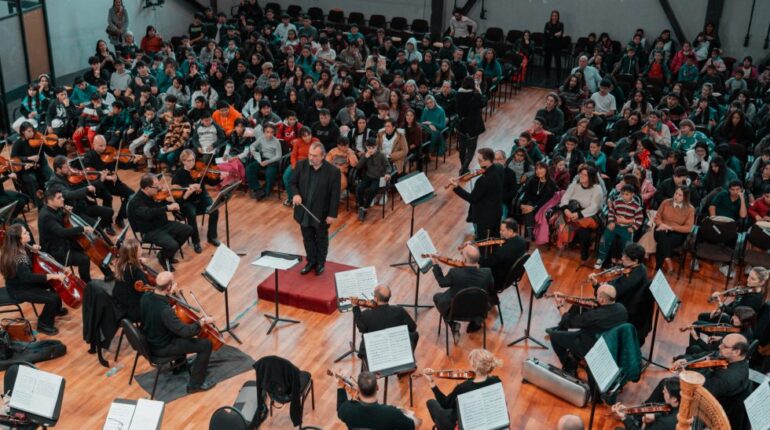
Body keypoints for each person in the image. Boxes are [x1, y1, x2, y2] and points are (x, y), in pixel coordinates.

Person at [140, 271, 216, 393]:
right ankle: (195, 385)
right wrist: (202, 322)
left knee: (177, 329)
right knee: (206, 344)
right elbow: (186, 332)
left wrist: (172, 296)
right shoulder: (165, 311)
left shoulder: (146, 297)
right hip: (162, 347)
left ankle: (179, 366)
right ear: (169, 287)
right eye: (173, 283)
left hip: (152, 339)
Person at [668, 334, 751, 429]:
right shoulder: (733, 358)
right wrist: (686, 360)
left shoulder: (729, 377)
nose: (719, 346)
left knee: (667, 384)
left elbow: (701, 391)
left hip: (707, 405)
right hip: (709, 386)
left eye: (724, 346)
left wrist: (685, 374)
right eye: (721, 343)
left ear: (736, 352)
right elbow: (711, 354)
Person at [546, 284, 628, 375]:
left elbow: (568, 321)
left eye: (597, 296)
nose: (595, 298)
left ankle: (569, 366)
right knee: (578, 308)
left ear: (602, 300)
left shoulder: (595, 316)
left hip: (592, 346)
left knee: (554, 336)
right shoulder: (622, 309)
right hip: (609, 343)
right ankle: (566, 337)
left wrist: (560, 305)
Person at [0, 224, 66, 335]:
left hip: (23, 282)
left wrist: (33, 251)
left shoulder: (21, 247)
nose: (28, 233)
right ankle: (43, 324)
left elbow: (28, 269)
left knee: (54, 284)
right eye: (25, 233)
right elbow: (28, 277)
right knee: (53, 298)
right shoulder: (18, 257)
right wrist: (51, 276)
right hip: (19, 289)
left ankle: (55, 310)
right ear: (19, 239)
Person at [289, 142, 341, 276]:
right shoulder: (301, 165)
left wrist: (332, 214)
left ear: (323, 156)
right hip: (304, 211)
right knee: (307, 238)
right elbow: (292, 182)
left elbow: (335, 195)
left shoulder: (333, 172)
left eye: (315, 156)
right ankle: (311, 261)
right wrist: (295, 194)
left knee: (321, 238)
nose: (311, 158)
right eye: (310, 155)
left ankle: (320, 263)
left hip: (321, 213)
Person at [126, 173, 193, 271]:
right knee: (172, 245)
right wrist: (167, 207)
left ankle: (165, 254)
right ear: (147, 188)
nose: (159, 188)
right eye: (156, 187)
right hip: (150, 230)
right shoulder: (135, 202)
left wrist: (174, 201)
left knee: (188, 229)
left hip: (164, 224)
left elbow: (164, 204)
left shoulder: (155, 195)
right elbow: (148, 213)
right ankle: (163, 258)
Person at [423, 349, 502, 430]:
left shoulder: (463, 388)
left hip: (463, 424)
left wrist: (432, 382)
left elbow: (445, 404)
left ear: (475, 367)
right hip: (486, 419)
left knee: (431, 403)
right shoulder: (496, 381)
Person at [430, 244, 494, 339]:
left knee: (437, 297)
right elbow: (491, 288)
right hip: (479, 310)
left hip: (456, 312)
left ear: (464, 259)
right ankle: (476, 321)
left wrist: (435, 265)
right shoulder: (487, 272)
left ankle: (453, 324)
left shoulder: (455, 273)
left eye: (462, 254)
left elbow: (442, 282)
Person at [37, 189, 99, 283]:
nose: (63, 199)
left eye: (62, 196)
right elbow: (61, 232)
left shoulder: (54, 208)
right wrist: (82, 228)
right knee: (84, 259)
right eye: (59, 198)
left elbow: (58, 219)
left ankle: (101, 275)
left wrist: (64, 213)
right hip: (56, 252)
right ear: (50, 201)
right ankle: (87, 283)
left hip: (62, 243)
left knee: (85, 247)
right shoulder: (46, 216)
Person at [82, 135, 137, 228]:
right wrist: (106, 177)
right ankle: (107, 223)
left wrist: (133, 162)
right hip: (99, 185)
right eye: (100, 146)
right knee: (108, 197)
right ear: (93, 145)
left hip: (113, 183)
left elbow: (123, 165)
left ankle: (120, 217)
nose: (104, 148)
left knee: (131, 195)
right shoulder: (88, 157)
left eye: (104, 145)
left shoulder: (110, 153)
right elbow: (90, 174)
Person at [172, 149, 221, 253]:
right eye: (189, 160)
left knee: (214, 209)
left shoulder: (199, 169)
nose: (192, 163)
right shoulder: (178, 175)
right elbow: (176, 194)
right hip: (188, 201)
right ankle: (196, 242)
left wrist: (220, 178)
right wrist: (189, 187)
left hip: (202, 197)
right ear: (183, 161)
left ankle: (212, 237)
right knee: (191, 213)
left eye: (193, 160)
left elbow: (211, 182)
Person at [448, 148, 502, 240]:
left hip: (485, 217)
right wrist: (484, 171)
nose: (478, 163)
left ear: (488, 160)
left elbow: (472, 198)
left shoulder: (482, 181)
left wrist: (456, 187)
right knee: (494, 239)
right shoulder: (499, 168)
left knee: (483, 241)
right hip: (496, 212)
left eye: (480, 161)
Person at [336, 371, 416, 430]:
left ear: (358, 389)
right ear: (377, 387)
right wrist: (404, 413)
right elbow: (411, 426)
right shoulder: (392, 413)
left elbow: (340, 408)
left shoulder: (347, 410)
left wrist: (340, 386)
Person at [353, 285, 418, 357]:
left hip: (376, 353)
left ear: (375, 299)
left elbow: (362, 329)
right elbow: (413, 327)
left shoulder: (366, 314)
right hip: (397, 351)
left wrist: (355, 308)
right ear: (389, 297)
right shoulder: (399, 310)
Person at [595, 184, 643, 269]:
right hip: (615, 225)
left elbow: (639, 219)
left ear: (632, 194)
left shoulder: (637, 207)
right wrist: (611, 222)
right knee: (605, 238)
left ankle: (625, 262)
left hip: (627, 228)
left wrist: (633, 228)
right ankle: (601, 258)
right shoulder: (617, 202)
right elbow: (611, 212)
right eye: (622, 194)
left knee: (628, 244)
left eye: (627, 194)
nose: (624, 196)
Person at [479, 218, 528, 299]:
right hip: (513, 276)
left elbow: (487, 263)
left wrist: (476, 257)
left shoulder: (503, 250)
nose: (500, 232)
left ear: (511, 231)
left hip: (499, 280)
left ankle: (486, 297)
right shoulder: (522, 242)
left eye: (502, 230)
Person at [611, 377, 680, 430]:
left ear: (674, 399)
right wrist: (655, 416)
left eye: (665, 391)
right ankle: (636, 417)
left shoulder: (664, 423)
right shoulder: (679, 404)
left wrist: (624, 418)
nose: (663, 392)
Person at [654, 187, 695, 273]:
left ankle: (658, 268)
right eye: (676, 193)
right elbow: (657, 217)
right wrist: (661, 224)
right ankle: (668, 260)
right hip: (661, 228)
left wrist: (671, 227)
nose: (676, 196)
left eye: (680, 195)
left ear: (685, 197)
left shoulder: (690, 209)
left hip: (677, 233)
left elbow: (688, 228)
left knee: (662, 243)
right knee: (661, 234)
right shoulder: (666, 202)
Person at [112, 238, 149, 322]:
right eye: (140, 248)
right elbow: (145, 291)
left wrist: (138, 261)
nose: (141, 249)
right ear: (134, 253)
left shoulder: (121, 264)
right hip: (134, 310)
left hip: (120, 305)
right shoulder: (136, 270)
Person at [455, 76, 485, 175]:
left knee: (462, 148)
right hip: (473, 126)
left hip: (462, 125)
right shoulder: (475, 95)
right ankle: (464, 169)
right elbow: (483, 103)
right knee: (471, 149)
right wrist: (479, 91)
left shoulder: (458, 94)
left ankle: (463, 167)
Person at [543, 10, 564, 82]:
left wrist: (551, 34)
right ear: (551, 16)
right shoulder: (547, 24)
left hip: (557, 45)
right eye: (553, 16)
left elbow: (560, 35)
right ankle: (547, 76)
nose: (554, 17)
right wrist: (555, 34)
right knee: (547, 62)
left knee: (558, 62)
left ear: (558, 17)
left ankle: (558, 78)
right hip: (548, 45)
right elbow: (546, 35)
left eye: (556, 16)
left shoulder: (561, 24)